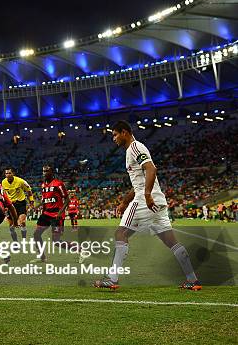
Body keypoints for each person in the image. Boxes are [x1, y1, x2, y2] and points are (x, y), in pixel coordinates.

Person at [94, 120, 201, 291]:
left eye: (115, 134)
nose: (113, 138)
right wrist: (124, 201)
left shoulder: (135, 147)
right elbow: (139, 183)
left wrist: (146, 195)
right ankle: (192, 280)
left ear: (124, 132)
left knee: (121, 233)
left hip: (145, 200)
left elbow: (151, 169)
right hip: (157, 201)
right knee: (171, 241)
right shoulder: (132, 150)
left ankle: (112, 278)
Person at [32, 165, 69, 261]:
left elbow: (67, 199)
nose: (44, 173)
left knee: (56, 242)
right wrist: (38, 207)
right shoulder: (43, 185)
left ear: (52, 172)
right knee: (36, 234)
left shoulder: (58, 184)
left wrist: (60, 213)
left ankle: (80, 249)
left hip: (56, 215)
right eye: (43, 171)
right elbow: (45, 200)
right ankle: (42, 257)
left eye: (47, 171)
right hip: (46, 214)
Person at [2, 168, 34, 242]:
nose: (8, 175)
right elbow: (4, 194)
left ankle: (23, 239)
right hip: (10, 205)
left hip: (21, 203)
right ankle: (15, 242)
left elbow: (29, 191)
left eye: (9, 173)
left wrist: (31, 202)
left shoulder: (20, 181)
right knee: (11, 226)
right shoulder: (3, 182)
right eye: (6, 173)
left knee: (21, 222)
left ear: (13, 173)